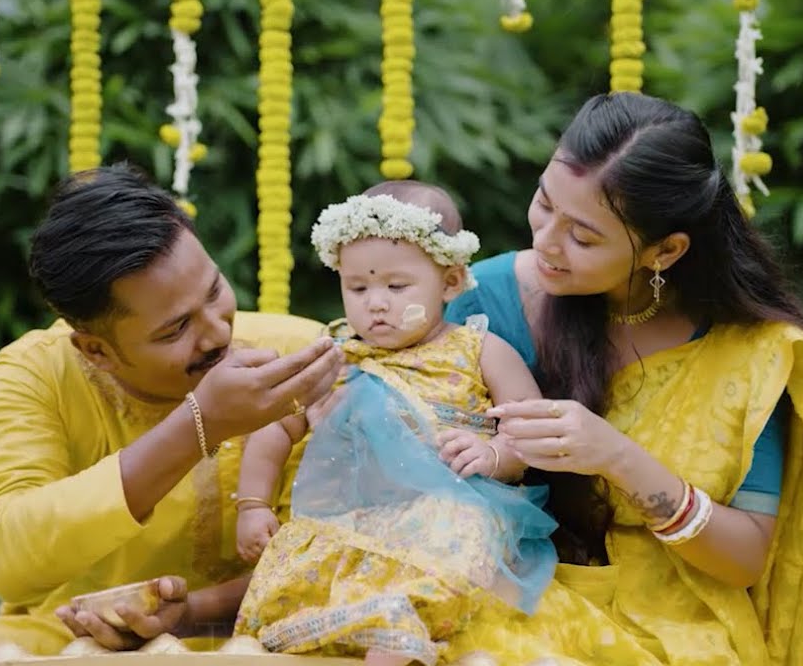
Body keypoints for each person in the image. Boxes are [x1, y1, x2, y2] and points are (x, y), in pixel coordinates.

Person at [0, 163, 345, 665]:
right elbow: (7, 560)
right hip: (75, 647)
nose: (218, 333)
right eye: (175, 329)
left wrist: (187, 616)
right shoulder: (39, 373)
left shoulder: (301, 357)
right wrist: (198, 426)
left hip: (273, 641)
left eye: (215, 291)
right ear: (96, 350)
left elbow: (344, 560)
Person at [433, 92, 803, 665]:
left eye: (583, 237)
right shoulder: (484, 301)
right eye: (544, 203)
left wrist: (617, 458)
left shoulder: (750, 354)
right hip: (496, 595)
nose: (546, 241)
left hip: (675, 624)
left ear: (665, 251)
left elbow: (746, 558)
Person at [229, 181, 559, 665]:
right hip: (355, 518)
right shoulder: (336, 358)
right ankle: (348, 624)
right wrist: (253, 504)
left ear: (450, 283)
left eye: (396, 287)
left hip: (447, 513)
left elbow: (530, 428)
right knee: (304, 554)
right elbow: (278, 425)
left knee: (457, 526)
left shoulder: (478, 350)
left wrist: (493, 454)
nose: (376, 303)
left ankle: (400, 629)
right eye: (358, 287)